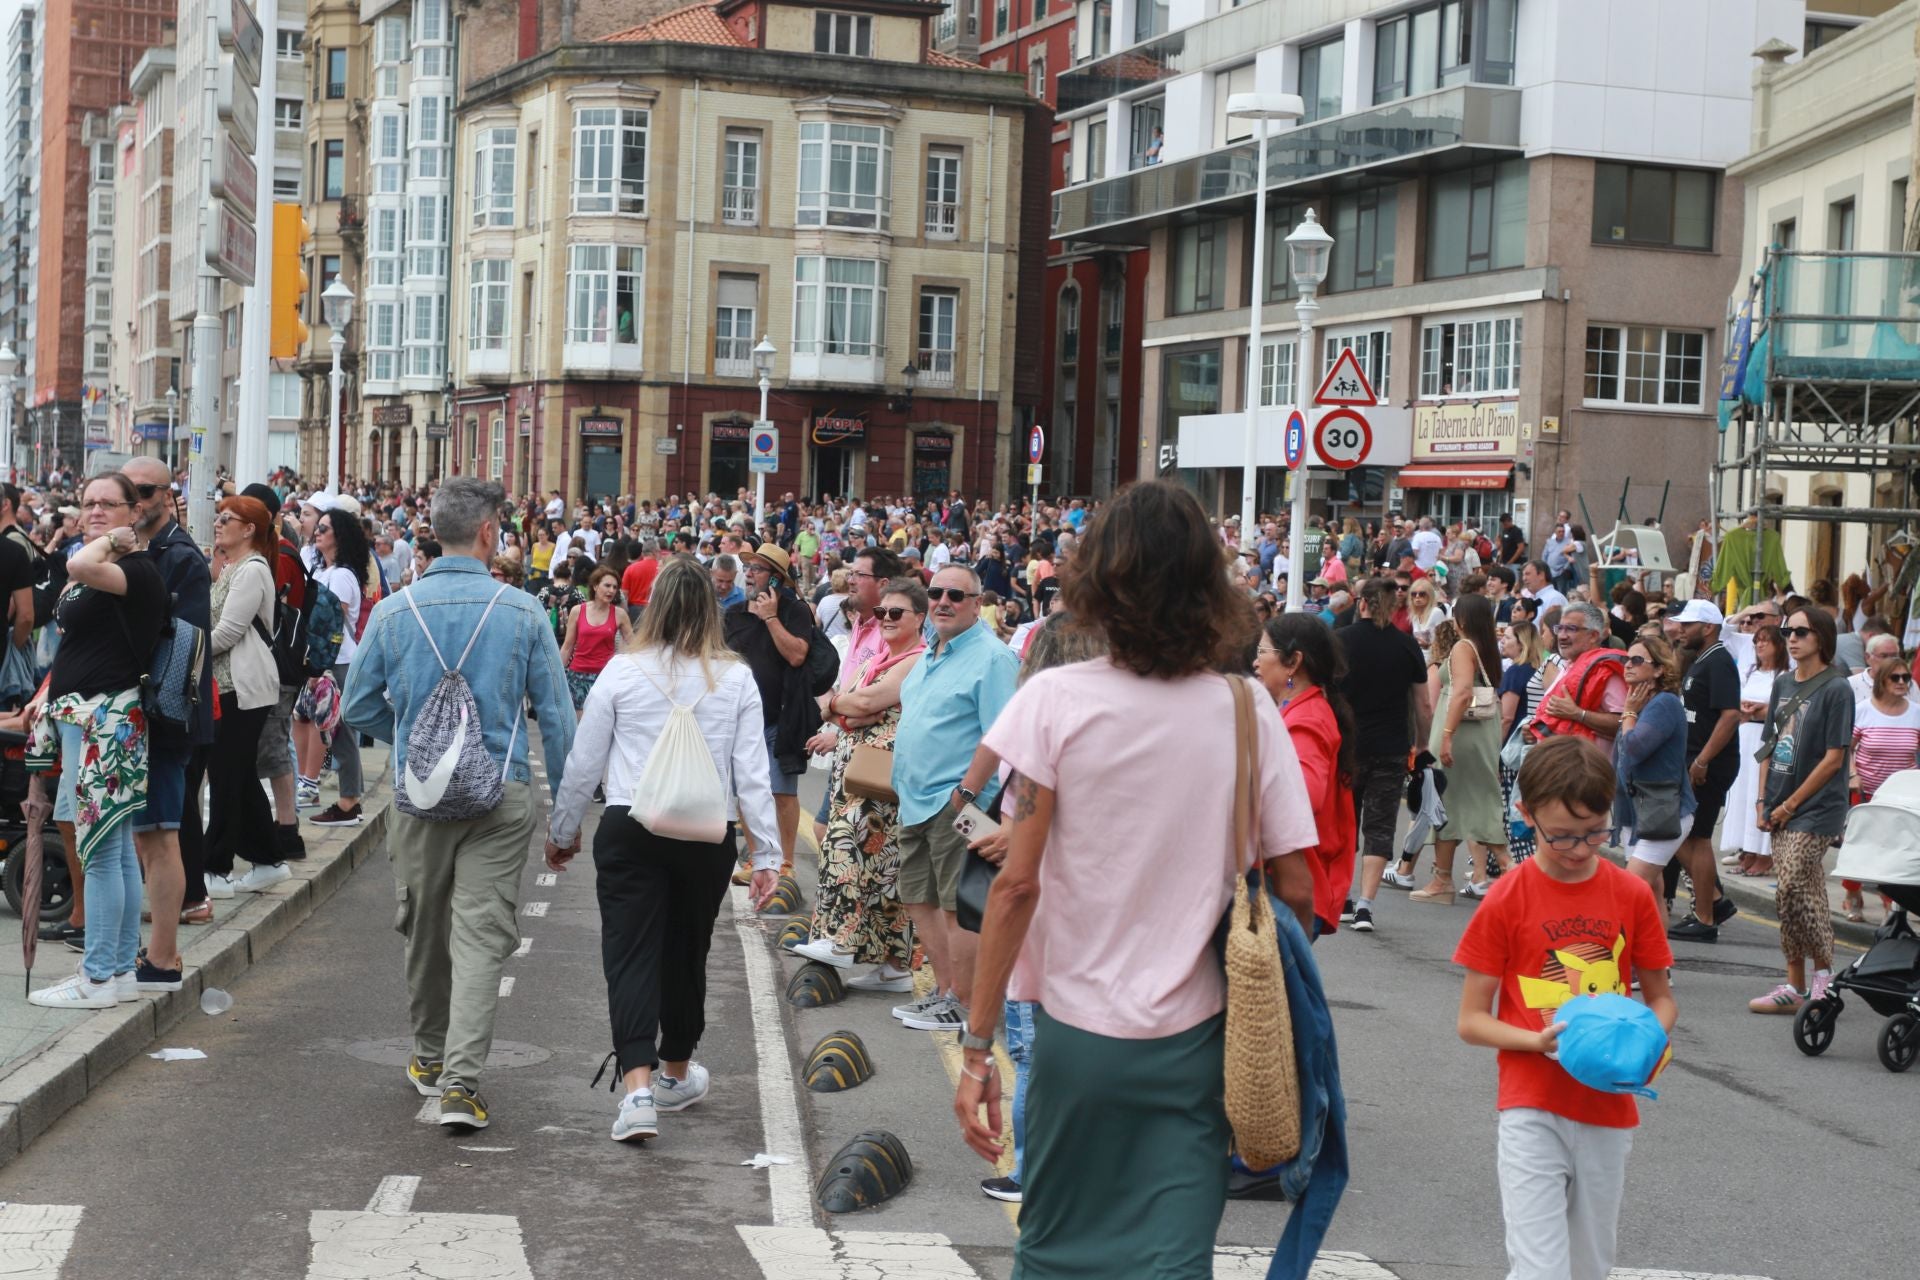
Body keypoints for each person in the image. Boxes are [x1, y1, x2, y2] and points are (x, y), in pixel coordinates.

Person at [954, 480, 1316, 1278]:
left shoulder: (1053, 699)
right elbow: (1295, 884)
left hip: (1078, 1036)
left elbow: (1016, 887)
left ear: (1098, 584)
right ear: (1207, 589)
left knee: (1056, 1252)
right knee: (1173, 1259)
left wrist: (978, 1048)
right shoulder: (1247, 707)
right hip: (1198, 1037)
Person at [343, 478, 576, 1129]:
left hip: (419, 801)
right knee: (481, 936)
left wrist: (420, 745)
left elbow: (356, 707)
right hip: (499, 796)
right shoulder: (523, 611)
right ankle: (461, 1084)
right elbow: (556, 721)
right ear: (485, 533)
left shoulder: (392, 613)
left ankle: (426, 1055)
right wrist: (566, 818)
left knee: (423, 930)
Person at [541, 556, 781, 1143]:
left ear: (651, 608)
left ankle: (638, 1091)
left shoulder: (622, 673)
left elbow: (583, 762)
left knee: (629, 954)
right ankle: (677, 1072)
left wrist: (563, 830)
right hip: (707, 835)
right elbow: (752, 772)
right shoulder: (736, 676)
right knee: (686, 951)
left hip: (630, 826)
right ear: (711, 610)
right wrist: (768, 854)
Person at [1454, 736, 1676, 1280]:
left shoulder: (1631, 894)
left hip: (1608, 1108)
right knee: (1539, 1270)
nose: (1580, 848)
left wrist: (1647, 1043)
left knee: (1589, 1266)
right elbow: (1471, 1020)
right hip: (1531, 1104)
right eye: (1563, 837)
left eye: (1596, 832)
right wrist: (1536, 1041)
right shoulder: (1509, 896)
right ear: (1526, 815)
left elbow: (1661, 1000)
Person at [24, 475, 167, 1008]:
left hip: (106, 718)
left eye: (109, 503)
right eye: (88, 504)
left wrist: (113, 539)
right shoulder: (111, 567)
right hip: (90, 716)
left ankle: (99, 976)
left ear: (134, 510)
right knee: (116, 851)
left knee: (103, 851)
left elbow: (77, 566)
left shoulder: (134, 569)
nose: (96, 511)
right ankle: (119, 971)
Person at [887, 562, 1017, 1034]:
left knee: (957, 905)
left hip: (958, 805)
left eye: (956, 595)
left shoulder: (992, 657)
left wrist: (964, 794)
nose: (943, 601)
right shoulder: (932, 651)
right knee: (920, 898)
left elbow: (1001, 735)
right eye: (937, 592)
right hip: (915, 799)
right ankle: (944, 992)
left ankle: (963, 1001)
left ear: (977, 603)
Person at [790, 578, 927, 984]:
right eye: (882, 612)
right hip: (859, 773)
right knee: (884, 872)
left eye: (895, 613)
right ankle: (894, 967)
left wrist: (841, 706)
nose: (885, 619)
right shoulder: (881, 659)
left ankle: (839, 939)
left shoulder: (917, 659)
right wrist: (845, 708)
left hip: (880, 778)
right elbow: (848, 705)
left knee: (846, 849)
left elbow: (860, 702)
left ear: (919, 618)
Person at [120, 456, 213, 991]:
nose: (137, 500)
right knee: (144, 835)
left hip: (164, 713)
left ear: (167, 494)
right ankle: (153, 953)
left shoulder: (179, 556)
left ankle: (164, 957)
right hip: (138, 710)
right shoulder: (142, 549)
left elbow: (182, 641)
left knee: (160, 835)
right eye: (127, 491)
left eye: (145, 490)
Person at [1749, 608, 1852, 1015]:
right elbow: (1768, 746)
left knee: (1792, 882)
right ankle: (1797, 984)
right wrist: (1764, 802)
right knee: (1799, 893)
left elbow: (1833, 758)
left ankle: (1823, 978)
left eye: (1800, 632)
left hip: (1817, 806)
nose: (1791, 638)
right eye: (1787, 631)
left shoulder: (1837, 688)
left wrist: (1792, 805)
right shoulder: (1782, 683)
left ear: (1821, 638)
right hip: (1779, 803)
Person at [204, 497, 286, 900]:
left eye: (226, 518)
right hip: (226, 687)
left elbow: (225, 634)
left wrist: (186, 650)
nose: (217, 524)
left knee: (225, 775)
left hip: (243, 688)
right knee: (236, 774)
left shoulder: (253, 570)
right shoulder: (232, 568)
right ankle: (269, 860)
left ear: (249, 529)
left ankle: (215, 869)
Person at [1256, 612, 1357, 938]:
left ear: (1292, 662)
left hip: (1291, 883)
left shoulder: (1307, 719)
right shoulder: (1303, 709)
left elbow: (1304, 795)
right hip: (1293, 881)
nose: (1255, 662)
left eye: (1262, 652)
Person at [1334, 579, 1426, 931]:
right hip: (1391, 746)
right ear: (1393, 607)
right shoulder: (1406, 646)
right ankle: (1366, 906)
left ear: (1362, 604)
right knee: (1380, 825)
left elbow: (1325, 694)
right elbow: (1423, 704)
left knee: (1345, 822)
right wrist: (1423, 745)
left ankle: (1343, 898)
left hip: (1347, 747)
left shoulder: (1340, 642)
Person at [722, 544, 819, 875]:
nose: (749, 575)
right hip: (740, 721)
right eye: (747, 569)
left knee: (780, 793)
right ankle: (756, 858)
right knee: (747, 794)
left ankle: (787, 861)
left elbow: (797, 655)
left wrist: (771, 618)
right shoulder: (733, 613)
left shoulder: (795, 610)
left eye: (757, 570)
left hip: (782, 717)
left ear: (776, 580)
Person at [1415, 594, 1509, 902]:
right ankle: (1442, 879)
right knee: (1457, 803)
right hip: (1479, 733)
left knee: (1454, 801)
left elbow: (1462, 692)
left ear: (1463, 619)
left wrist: (1445, 735)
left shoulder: (1462, 647)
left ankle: (1511, 870)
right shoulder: (1486, 648)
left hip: (1461, 734)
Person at [294, 503, 372, 828]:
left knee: (340, 733)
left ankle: (350, 802)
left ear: (338, 537)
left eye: (323, 528)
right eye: (318, 527)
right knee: (311, 722)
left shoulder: (340, 576)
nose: (317, 532)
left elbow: (331, 626)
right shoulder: (325, 570)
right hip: (324, 661)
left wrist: (319, 668)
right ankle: (313, 785)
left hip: (335, 662)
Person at [1667, 600, 1741, 942]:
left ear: (1708, 627)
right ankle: (1712, 901)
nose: (1680, 630)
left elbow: (1730, 715)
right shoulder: (1702, 660)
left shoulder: (1720, 662)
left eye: (1688, 624)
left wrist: (1702, 761)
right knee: (1681, 835)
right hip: (1692, 759)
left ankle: (1706, 916)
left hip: (1707, 764)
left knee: (1695, 837)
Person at [242, 484, 307, 872]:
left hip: (277, 666)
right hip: (275, 664)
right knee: (272, 746)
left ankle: (286, 831)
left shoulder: (278, 557)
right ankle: (282, 828)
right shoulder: (278, 553)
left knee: (273, 747)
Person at [1613, 635, 1695, 905]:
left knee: (1630, 889)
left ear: (1659, 669)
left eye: (1637, 660)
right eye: (1626, 659)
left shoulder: (1664, 704)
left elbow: (1634, 749)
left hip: (1661, 812)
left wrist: (1628, 714)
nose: (1628, 665)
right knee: (1652, 892)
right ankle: (1655, 949)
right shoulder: (1643, 703)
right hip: (1635, 812)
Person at [1843, 653, 1920, 920]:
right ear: (1882, 681)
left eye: (1906, 678)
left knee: (1895, 852)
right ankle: (1852, 893)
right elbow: (1846, 749)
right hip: (1865, 791)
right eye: (1895, 677)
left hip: (1901, 795)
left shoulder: (1916, 712)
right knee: (1859, 846)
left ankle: (1891, 902)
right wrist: (1852, 774)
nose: (1902, 682)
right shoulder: (1864, 709)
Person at [1723, 622, 1784, 877]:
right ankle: (1747, 850)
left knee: (1761, 793)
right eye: (1757, 641)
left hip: (1765, 736)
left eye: (1765, 641)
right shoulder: (1750, 671)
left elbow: (1785, 706)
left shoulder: (1784, 676)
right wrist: (1743, 709)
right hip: (1745, 734)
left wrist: (1757, 710)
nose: (1759, 645)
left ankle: (1764, 853)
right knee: (1742, 795)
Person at [1498, 621, 1547, 861]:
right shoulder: (1538, 670)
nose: (1503, 641)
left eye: (1507, 637)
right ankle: (1493, 866)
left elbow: (1506, 717)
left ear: (1521, 643)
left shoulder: (1515, 672)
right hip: (1533, 748)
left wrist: (1494, 752)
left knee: (1513, 811)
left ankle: (1523, 866)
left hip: (1513, 750)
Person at [560, 565, 635, 716]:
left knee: (602, 723)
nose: (611, 590)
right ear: (595, 586)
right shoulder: (577, 611)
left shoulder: (619, 614)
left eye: (615, 587)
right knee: (581, 727)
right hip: (578, 676)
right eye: (607, 585)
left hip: (606, 676)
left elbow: (634, 646)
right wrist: (557, 674)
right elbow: (567, 647)